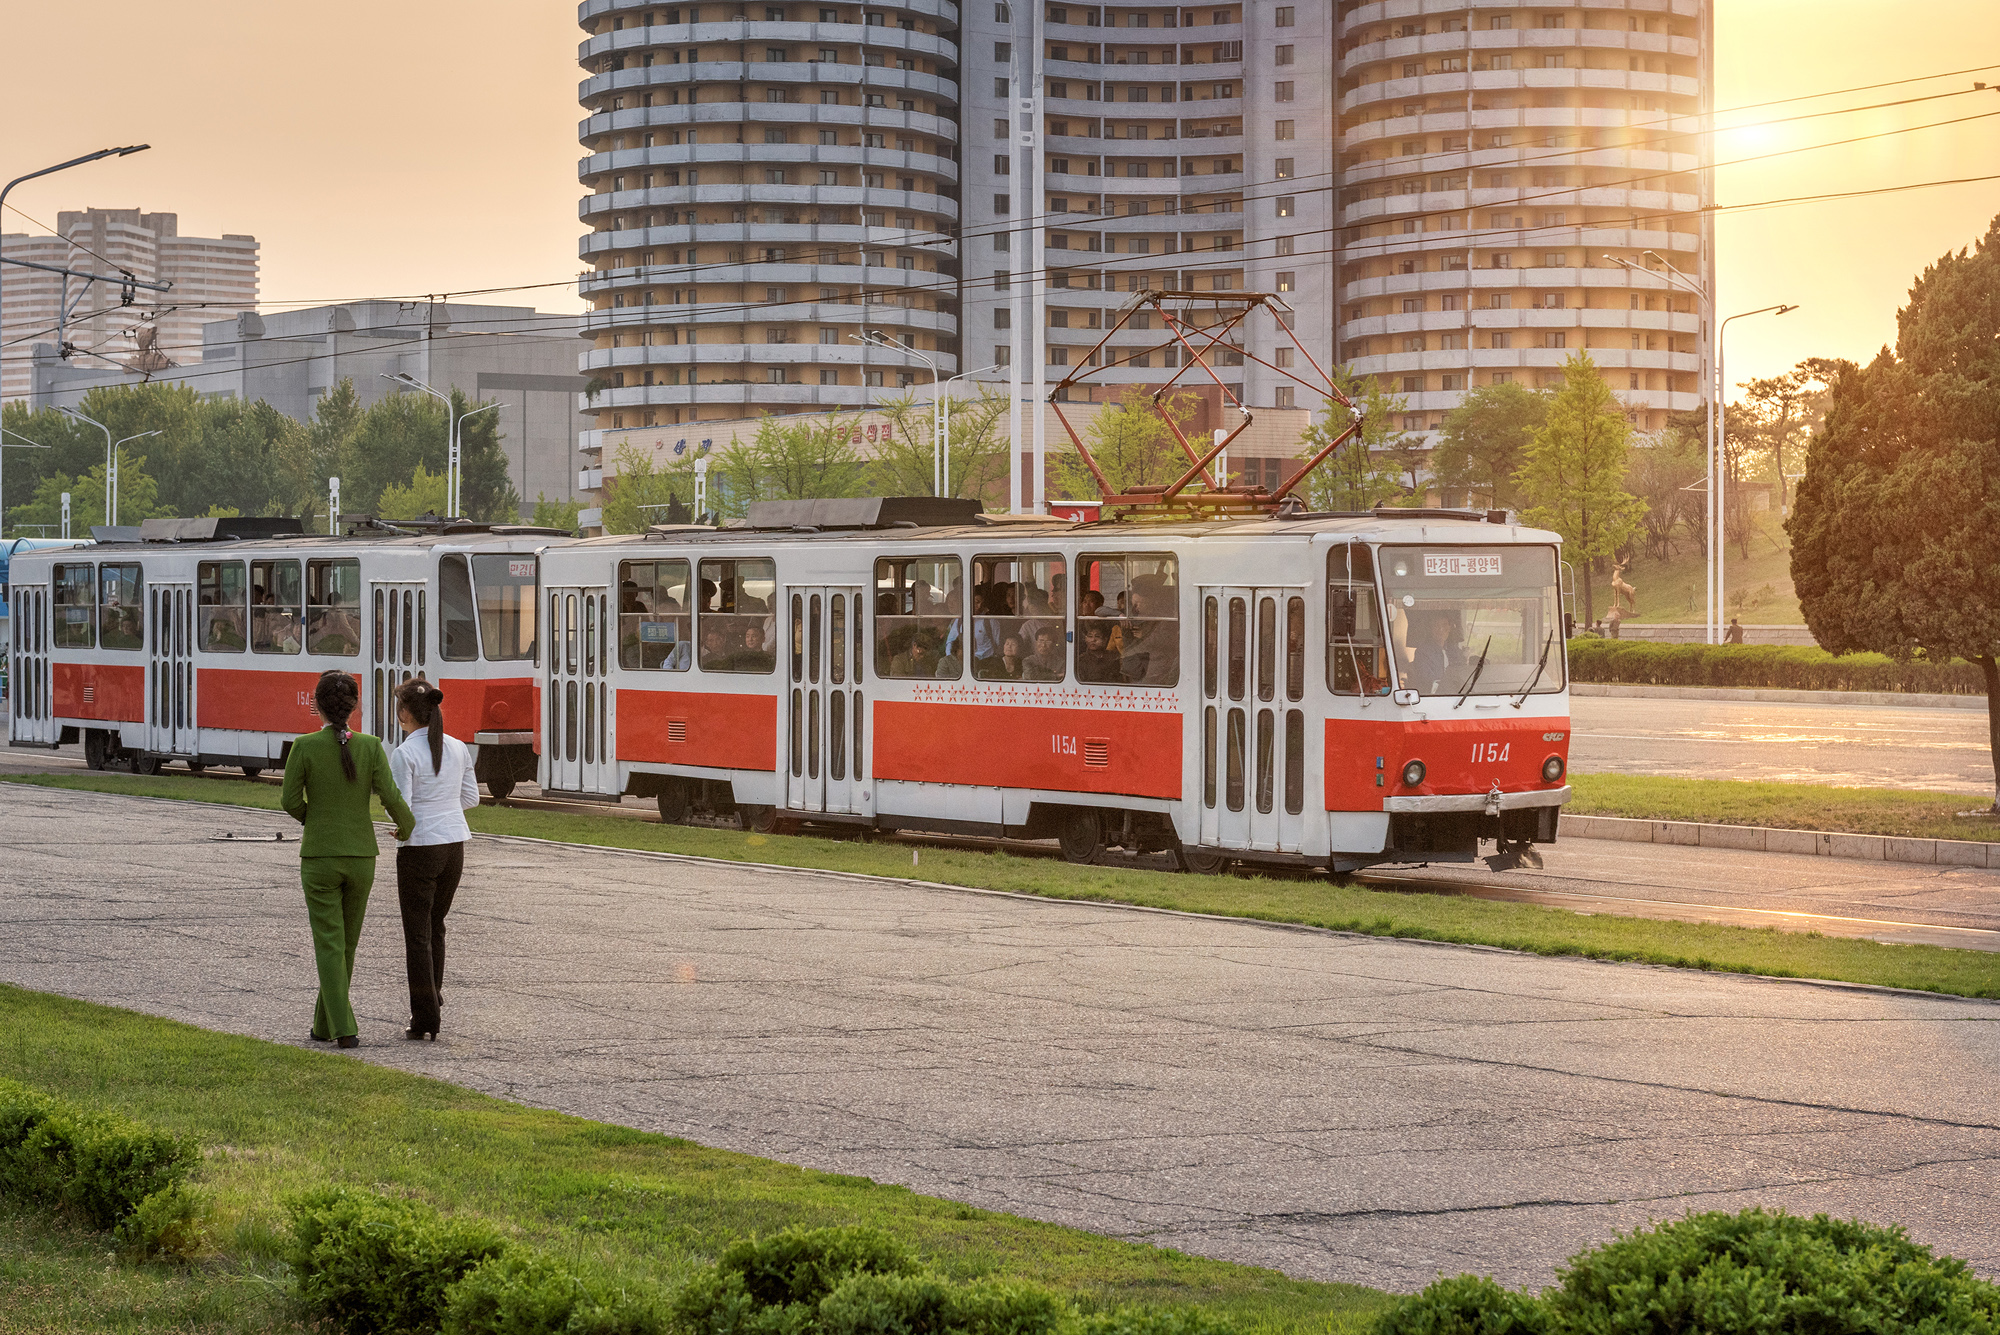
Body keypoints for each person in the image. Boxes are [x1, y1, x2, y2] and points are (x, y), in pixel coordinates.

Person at [280, 670, 414, 1049]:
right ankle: (323, 1025)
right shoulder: (371, 746)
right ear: (354, 706)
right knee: (346, 944)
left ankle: (343, 1027)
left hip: (320, 856)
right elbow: (390, 795)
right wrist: (407, 826)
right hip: (361, 857)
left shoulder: (303, 747)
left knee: (328, 943)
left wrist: (316, 820)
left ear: (316, 705)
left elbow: (290, 801)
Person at [389, 678, 478, 1042]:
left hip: (421, 847)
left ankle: (425, 1017)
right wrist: (443, 811)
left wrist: (406, 827)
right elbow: (470, 798)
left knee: (417, 935)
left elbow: (402, 807)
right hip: (455, 844)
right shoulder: (457, 747)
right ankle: (433, 999)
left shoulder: (405, 753)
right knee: (436, 925)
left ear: (405, 714)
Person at [1119, 577, 1179, 686]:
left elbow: (1170, 640)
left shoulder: (1164, 618)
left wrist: (1145, 636)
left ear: (1151, 602)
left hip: (1156, 667)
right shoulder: (1133, 617)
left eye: (1139, 603)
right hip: (1134, 668)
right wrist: (1120, 615)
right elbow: (1101, 610)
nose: (1136, 608)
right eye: (1134, 604)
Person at [1406, 612, 1463, 694]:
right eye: (1436, 626)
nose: (1441, 629)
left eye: (1444, 625)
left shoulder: (1456, 651)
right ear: (1430, 629)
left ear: (1450, 628)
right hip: (1433, 697)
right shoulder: (1422, 652)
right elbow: (1426, 679)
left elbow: (1462, 673)